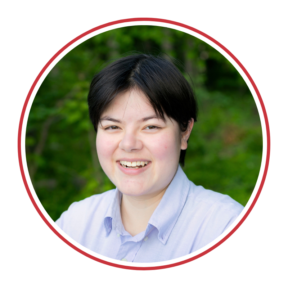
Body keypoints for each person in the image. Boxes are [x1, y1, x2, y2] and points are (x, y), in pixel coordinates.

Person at [55, 54, 245, 264]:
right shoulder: (76, 224)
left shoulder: (223, 226)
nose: (128, 144)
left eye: (150, 126)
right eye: (112, 127)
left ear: (185, 132)